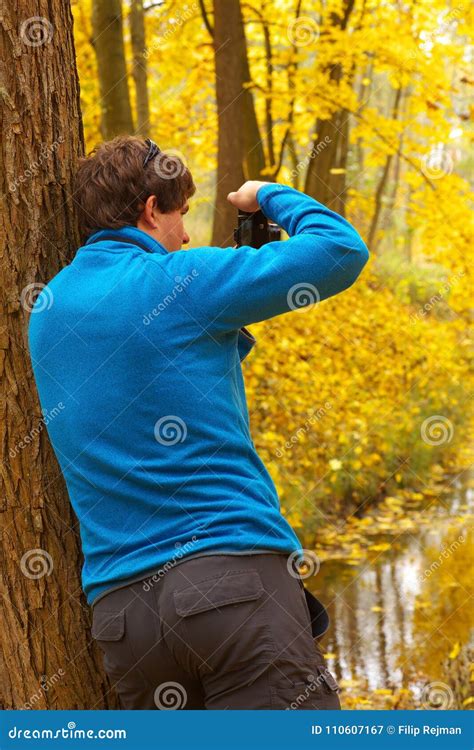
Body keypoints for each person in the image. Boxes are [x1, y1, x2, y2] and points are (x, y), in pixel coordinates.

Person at [28, 135, 369, 710]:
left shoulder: (48, 307)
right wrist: (268, 194)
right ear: (150, 209)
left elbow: (147, 377)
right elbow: (340, 251)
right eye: (180, 213)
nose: (185, 235)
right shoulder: (179, 282)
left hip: (123, 621)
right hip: (230, 583)